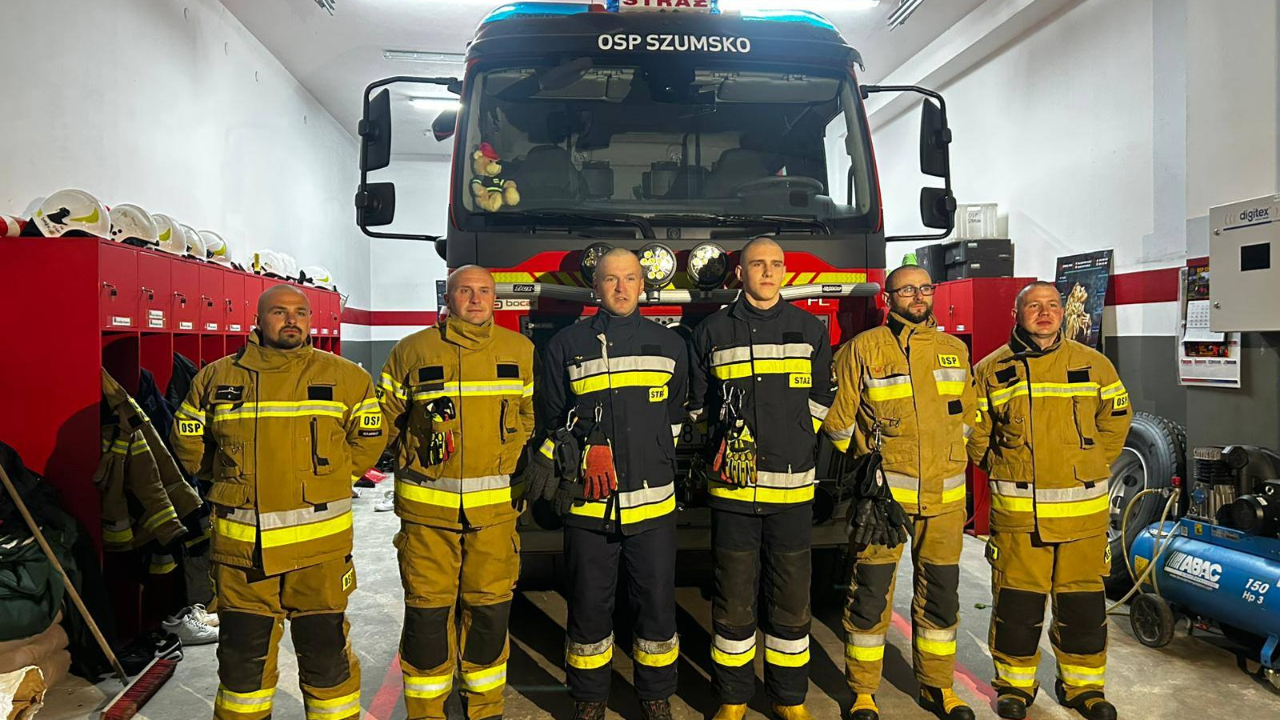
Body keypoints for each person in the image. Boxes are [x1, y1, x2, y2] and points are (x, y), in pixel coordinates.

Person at [172, 285, 386, 720]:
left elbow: (369, 439)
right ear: (257, 320)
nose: (291, 320)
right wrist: (232, 481)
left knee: (327, 658)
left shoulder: (346, 377)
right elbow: (189, 444)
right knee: (242, 665)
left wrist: (331, 481)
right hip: (242, 556)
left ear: (310, 320)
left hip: (319, 553)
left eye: (300, 312)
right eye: (279, 312)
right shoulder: (217, 378)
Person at [528, 248, 688, 720]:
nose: (621, 288)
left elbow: (674, 416)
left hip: (653, 506)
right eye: (611, 279)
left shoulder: (670, 345)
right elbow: (552, 418)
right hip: (588, 505)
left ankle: (655, 694)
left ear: (643, 285)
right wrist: (584, 444)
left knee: (656, 607)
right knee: (588, 607)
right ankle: (589, 698)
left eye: (630, 278)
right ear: (594, 288)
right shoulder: (566, 345)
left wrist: (650, 454)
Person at [378, 265, 535, 720]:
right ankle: (426, 711)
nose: (476, 299)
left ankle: (485, 708)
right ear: (448, 298)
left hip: (495, 517)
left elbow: (527, 418)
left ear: (495, 298)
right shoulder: (412, 350)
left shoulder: (520, 350)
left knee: (489, 614)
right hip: (427, 517)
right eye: (465, 290)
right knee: (427, 616)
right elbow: (386, 423)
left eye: (484, 291)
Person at [968, 281, 1130, 720]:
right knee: (1017, 605)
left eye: (1053, 305)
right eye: (1034, 306)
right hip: (1020, 518)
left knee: (1083, 606)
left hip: (1083, 517)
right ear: (1016, 315)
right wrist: (1005, 467)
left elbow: (1116, 422)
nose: (1045, 313)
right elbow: (975, 434)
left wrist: (1088, 463)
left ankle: (1084, 687)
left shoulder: (1094, 365)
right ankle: (1014, 687)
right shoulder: (990, 370)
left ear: (1063, 312)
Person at [686, 237, 833, 720]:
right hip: (733, 491)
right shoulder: (711, 331)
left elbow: (820, 400)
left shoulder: (809, 330)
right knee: (732, 595)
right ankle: (733, 698)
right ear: (740, 273)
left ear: (785, 272)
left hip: (792, 491)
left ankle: (789, 699)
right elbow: (699, 407)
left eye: (775, 265)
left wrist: (796, 440)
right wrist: (723, 446)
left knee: (791, 597)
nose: (767, 273)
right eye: (757, 264)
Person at [823, 265, 977, 720]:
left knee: (942, 595)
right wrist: (869, 460)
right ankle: (863, 691)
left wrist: (946, 455)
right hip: (883, 501)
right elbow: (838, 422)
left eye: (925, 288)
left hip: (945, 499)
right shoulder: (863, 348)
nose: (918, 296)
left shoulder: (954, 350)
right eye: (907, 289)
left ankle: (938, 686)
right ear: (888, 298)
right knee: (870, 594)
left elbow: (968, 418)